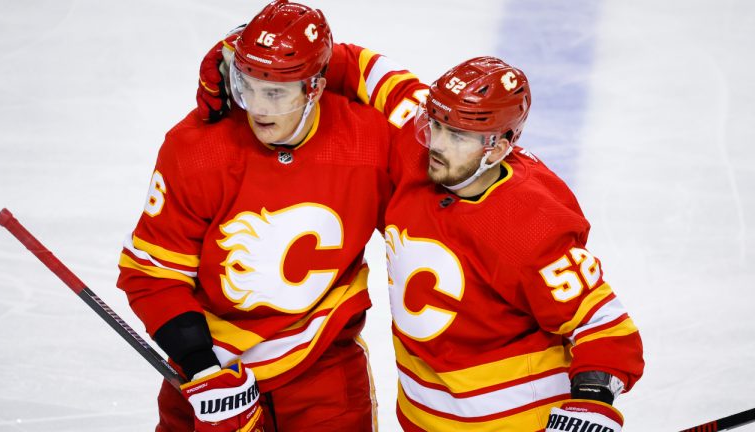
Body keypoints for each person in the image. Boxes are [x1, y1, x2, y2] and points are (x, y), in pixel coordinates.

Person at [196, 29, 645, 432]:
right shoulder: (417, 145)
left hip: (517, 422)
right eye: (436, 126)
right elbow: (361, 68)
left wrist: (591, 403)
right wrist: (249, 54)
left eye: (458, 137)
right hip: (424, 420)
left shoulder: (529, 223)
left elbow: (605, 329)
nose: (437, 145)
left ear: (499, 147)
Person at [116, 1, 412, 430]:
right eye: (247, 86)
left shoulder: (369, 142)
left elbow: (433, 218)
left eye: (274, 93)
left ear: (314, 88)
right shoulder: (196, 149)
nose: (256, 107)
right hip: (211, 374)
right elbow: (153, 274)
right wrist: (200, 365)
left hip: (323, 371)